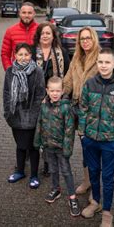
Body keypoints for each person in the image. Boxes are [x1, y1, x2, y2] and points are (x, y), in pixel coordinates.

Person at [63, 27, 114, 204]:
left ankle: (96, 190)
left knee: (95, 152)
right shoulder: (76, 57)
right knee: (86, 148)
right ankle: (87, 182)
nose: (85, 41)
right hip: (78, 108)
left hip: (96, 113)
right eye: (82, 38)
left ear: (93, 39)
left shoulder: (101, 57)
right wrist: (55, 94)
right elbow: (68, 81)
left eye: (88, 38)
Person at [78, 48, 114, 225]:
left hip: (110, 142)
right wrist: (83, 133)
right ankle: (95, 202)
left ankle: (107, 212)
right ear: (97, 63)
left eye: (107, 62)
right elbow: (83, 109)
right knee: (93, 172)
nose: (103, 65)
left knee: (107, 177)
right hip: (91, 139)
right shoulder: (90, 84)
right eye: (100, 62)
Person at [34, 76, 80, 217]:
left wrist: (67, 149)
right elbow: (40, 124)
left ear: (62, 91)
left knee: (66, 171)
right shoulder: (44, 105)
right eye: (52, 90)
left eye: (58, 91)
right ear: (47, 90)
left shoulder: (67, 108)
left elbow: (69, 130)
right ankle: (56, 189)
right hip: (48, 145)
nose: (55, 93)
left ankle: (72, 197)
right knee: (53, 169)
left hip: (61, 147)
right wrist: (38, 141)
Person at [3, 43, 45, 189]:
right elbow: (7, 93)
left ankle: (34, 175)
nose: (23, 57)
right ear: (15, 55)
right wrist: (8, 113)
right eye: (20, 54)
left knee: (33, 147)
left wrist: (34, 115)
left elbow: (40, 94)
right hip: (15, 116)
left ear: (31, 56)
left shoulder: (37, 71)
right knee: (20, 146)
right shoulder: (10, 71)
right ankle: (20, 171)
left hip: (32, 117)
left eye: (26, 54)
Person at [32, 21, 70, 177]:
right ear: (38, 36)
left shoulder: (61, 52)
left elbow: (67, 75)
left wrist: (61, 95)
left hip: (54, 98)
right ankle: (37, 156)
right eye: (42, 33)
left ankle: (48, 163)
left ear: (53, 35)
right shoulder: (32, 51)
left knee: (51, 132)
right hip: (36, 98)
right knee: (39, 130)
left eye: (48, 33)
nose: (45, 36)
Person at [0, 2, 39, 70]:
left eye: (29, 13)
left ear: (34, 14)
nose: (26, 15)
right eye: (24, 12)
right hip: (17, 72)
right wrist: (9, 70)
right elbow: (5, 54)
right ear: (19, 13)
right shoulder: (10, 31)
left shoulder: (40, 30)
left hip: (36, 72)